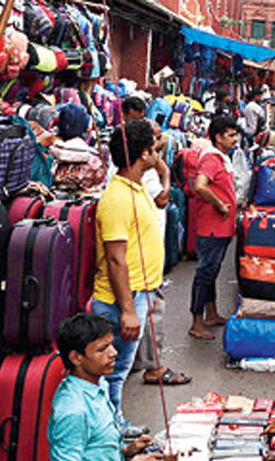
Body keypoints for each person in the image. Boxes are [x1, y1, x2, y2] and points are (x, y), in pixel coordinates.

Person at [48, 314, 166, 461]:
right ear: (76, 358)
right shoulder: (73, 411)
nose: (113, 352)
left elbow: (93, 449)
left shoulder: (99, 383)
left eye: (111, 344)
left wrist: (127, 451)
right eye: (102, 349)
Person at [92, 121, 164, 424]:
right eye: (154, 145)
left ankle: (114, 425)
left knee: (116, 372)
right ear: (143, 153)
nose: (159, 149)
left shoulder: (135, 188)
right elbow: (116, 260)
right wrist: (127, 311)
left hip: (137, 294)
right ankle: (113, 429)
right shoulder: (118, 198)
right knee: (114, 374)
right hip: (122, 298)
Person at [133, 120, 190, 386]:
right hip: (145, 249)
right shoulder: (145, 171)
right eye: (156, 139)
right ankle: (153, 367)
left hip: (144, 246)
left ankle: (136, 360)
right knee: (152, 305)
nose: (161, 143)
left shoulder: (130, 169)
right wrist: (164, 170)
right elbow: (162, 199)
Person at [188, 116, 239, 340]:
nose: (235, 139)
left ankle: (211, 313)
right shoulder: (211, 159)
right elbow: (200, 186)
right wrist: (219, 204)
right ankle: (196, 322)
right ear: (218, 138)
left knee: (212, 270)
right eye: (230, 135)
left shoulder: (221, 158)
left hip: (220, 227)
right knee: (205, 272)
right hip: (212, 227)